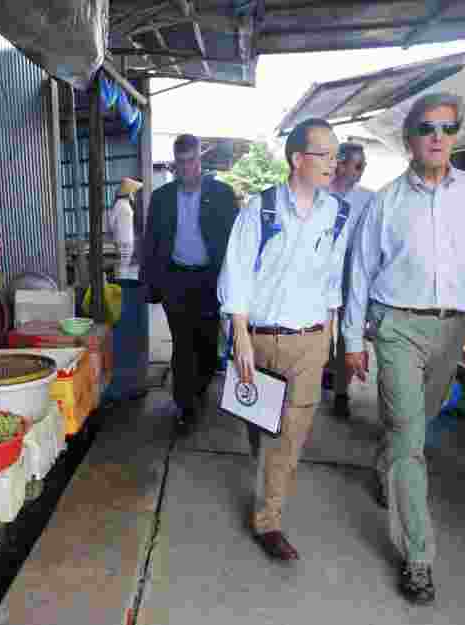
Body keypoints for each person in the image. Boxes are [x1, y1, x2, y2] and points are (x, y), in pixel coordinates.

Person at [342, 93, 465, 604]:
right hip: (396, 327)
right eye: (427, 128)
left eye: (448, 128)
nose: (438, 137)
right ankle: (418, 558)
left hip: (452, 329)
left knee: (415, 423)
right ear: (409, 137)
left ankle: (382, 464)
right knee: (411, 441)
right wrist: (352, 338)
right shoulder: (386, 201)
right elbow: (360, 272)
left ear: (456, 135)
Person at [218, 118, 351, 562]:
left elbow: (333, 278)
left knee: (289, 435)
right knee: (261, 425)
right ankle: (265, 465)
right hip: (260, 338)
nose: (335, 163)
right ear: (298, 159)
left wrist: (332, 332)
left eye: (337, 155)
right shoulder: (262, 209)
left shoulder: (338, 213)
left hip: (310, 340)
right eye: (325, 155)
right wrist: (238, 336)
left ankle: (268, 520)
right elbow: (236, 272)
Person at [140, 134, 239, 435]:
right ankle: (185, 406)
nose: (186, 168)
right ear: (174, 164)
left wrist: (236, 283)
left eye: (191, 161)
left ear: (200, 160)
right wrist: (151, 284)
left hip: (210, 280)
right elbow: (151, 242)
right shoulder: (161, 198)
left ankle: (200, 386)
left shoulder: (222, 194)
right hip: (176, 280)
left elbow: (236, 243)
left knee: (207, 343)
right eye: (180, 163)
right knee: (183, 344)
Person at [327, 143, 376, 418]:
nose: (361, 171)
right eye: (358, 165)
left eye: (363, 166)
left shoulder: (369, 199)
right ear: (340, 164)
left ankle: (341, 393)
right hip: (319, 264)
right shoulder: (319, 192)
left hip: (352, 266)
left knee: (349, 328)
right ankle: (324, 370)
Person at [109, 177, 143, 280]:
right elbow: (111, 222)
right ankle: (121, 285)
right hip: (122, 240)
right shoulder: (119, 204)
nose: (134, 194)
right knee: (123, 266)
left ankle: (123, 283)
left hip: (128, 239)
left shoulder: (127, 204)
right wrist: (116, 235)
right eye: (132, 192)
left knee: (125, 265)